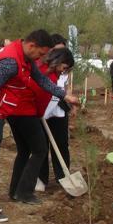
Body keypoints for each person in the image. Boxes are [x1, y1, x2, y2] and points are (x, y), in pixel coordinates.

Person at [0, 31, 80, 222]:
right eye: (41, 54)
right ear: (32, 46)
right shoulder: (11, 61)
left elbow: (42, 80)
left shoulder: (25, 59)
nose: (42, 59)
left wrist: (64, 96)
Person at [36, 48, 74, 191]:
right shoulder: (43, 71)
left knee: (61, 145)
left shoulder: (63, 73)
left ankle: (62, 176)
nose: (64, 71)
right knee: (42, 147)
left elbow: (66, 89)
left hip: (58, 112)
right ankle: (41, 178)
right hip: (43, 112)